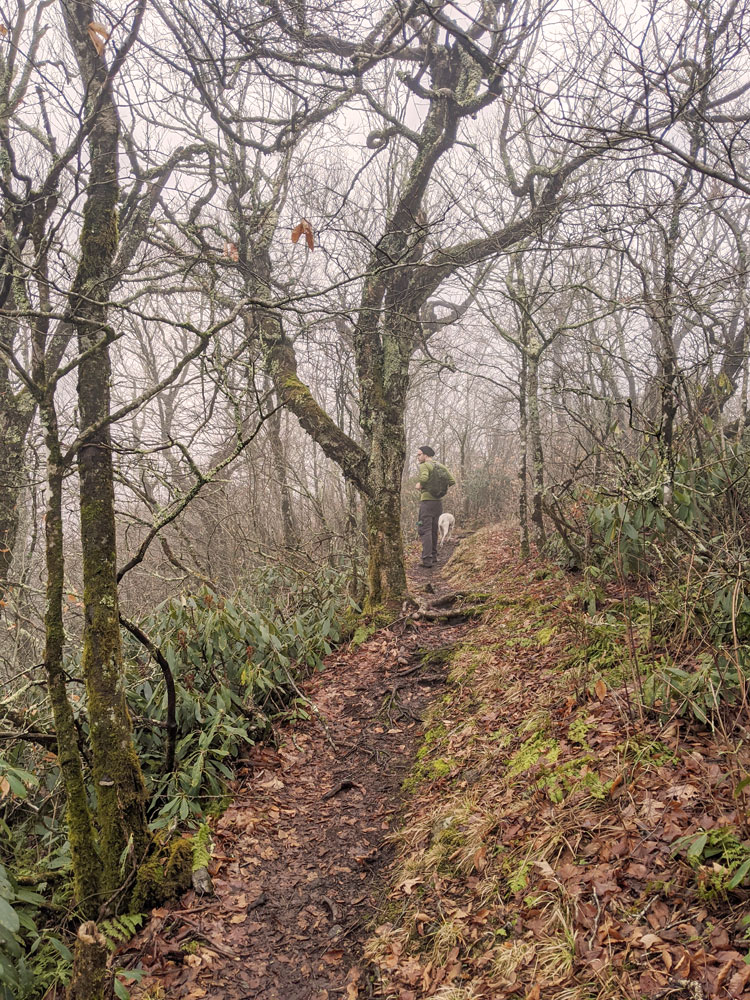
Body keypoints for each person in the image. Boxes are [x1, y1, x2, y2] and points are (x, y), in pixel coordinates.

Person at [415, 446, 455, 568]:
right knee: (433, 529)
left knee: (423, 529)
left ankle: (427, 560)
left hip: (426, 502)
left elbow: (424, 478)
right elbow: (452, 481)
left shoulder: (424, 465)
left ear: (426, 455)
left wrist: (420, 485)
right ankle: (434, 556)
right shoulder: (440, 466)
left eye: (419, 454)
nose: (418, 457)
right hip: (438, 503)